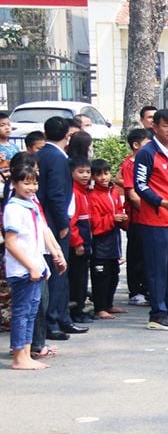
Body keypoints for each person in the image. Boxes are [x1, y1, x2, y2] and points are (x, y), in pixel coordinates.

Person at [4, 161, 66, 370]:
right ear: (14, 183)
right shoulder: (13, 208)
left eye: (34, 183)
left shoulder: (31, 205)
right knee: (22, 312)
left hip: (35, 267)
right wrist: (31, 266)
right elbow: (11, 243)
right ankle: (19, 356)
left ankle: (27, 353)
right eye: (26, 183)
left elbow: (40, 237)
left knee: (32, 312)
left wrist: (46, 263)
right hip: (23, 269)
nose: (31, 187)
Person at [135, 109, 168, 331]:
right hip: (154, 220)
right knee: (158, 268)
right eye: (165, 125)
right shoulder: (147, 153)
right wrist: (160, 202)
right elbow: (140, 185)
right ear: (154, 127)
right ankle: (157, 313)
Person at [36, 116, 87, 339]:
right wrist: (63, 224)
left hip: (50, 221)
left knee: (61, 272)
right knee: (57, 270)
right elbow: (56, 194)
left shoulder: (43, 154)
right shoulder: (55, 158)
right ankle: (54, 320)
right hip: (55, 223)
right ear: (67, 135)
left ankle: (63, 317)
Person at [87, 159, 127, 319]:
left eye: (106, 173)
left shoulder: (113, 192)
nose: (103, 177)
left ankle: (108, 304)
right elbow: (95, 223)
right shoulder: (92, 196)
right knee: (101, 277)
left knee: (113, 274)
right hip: (100, 243)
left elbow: (118, 210)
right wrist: (113, 218)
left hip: (113, 241)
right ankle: (100, 307)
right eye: (99, 175)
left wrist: (122, 219)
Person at [121, 129, 150, 306]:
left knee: (146, 256)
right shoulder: (129, 164)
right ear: (136, 145)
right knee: (136, 255)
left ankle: (145, 288)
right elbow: (132, 194)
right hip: (137, 217)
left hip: (147, 217)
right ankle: (135, 290)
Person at [67, 157, 93, 324]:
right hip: (78, 243)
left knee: (83, 277)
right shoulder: (74, 193)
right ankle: (75, 311)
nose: (85, 175)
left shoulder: (84, 191)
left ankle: (80, 309)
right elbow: (71, 222)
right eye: (81, 172)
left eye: (88, 172)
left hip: (85, 239)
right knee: (76, 279)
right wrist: (77, 242)